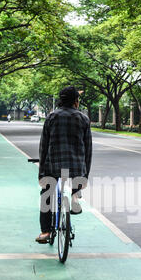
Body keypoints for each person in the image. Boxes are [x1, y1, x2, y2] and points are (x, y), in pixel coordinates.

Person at [36, 86, 92, 244]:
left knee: (46, 194)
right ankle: (74, 196)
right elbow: (88, 150)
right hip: (76, 168)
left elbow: (43, 147)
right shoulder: (83, 119)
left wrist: (41, 173)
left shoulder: (51, 117)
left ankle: (46, 231)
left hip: (53, 166)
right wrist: (85, 175)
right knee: (76, 183)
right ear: (75, 101)